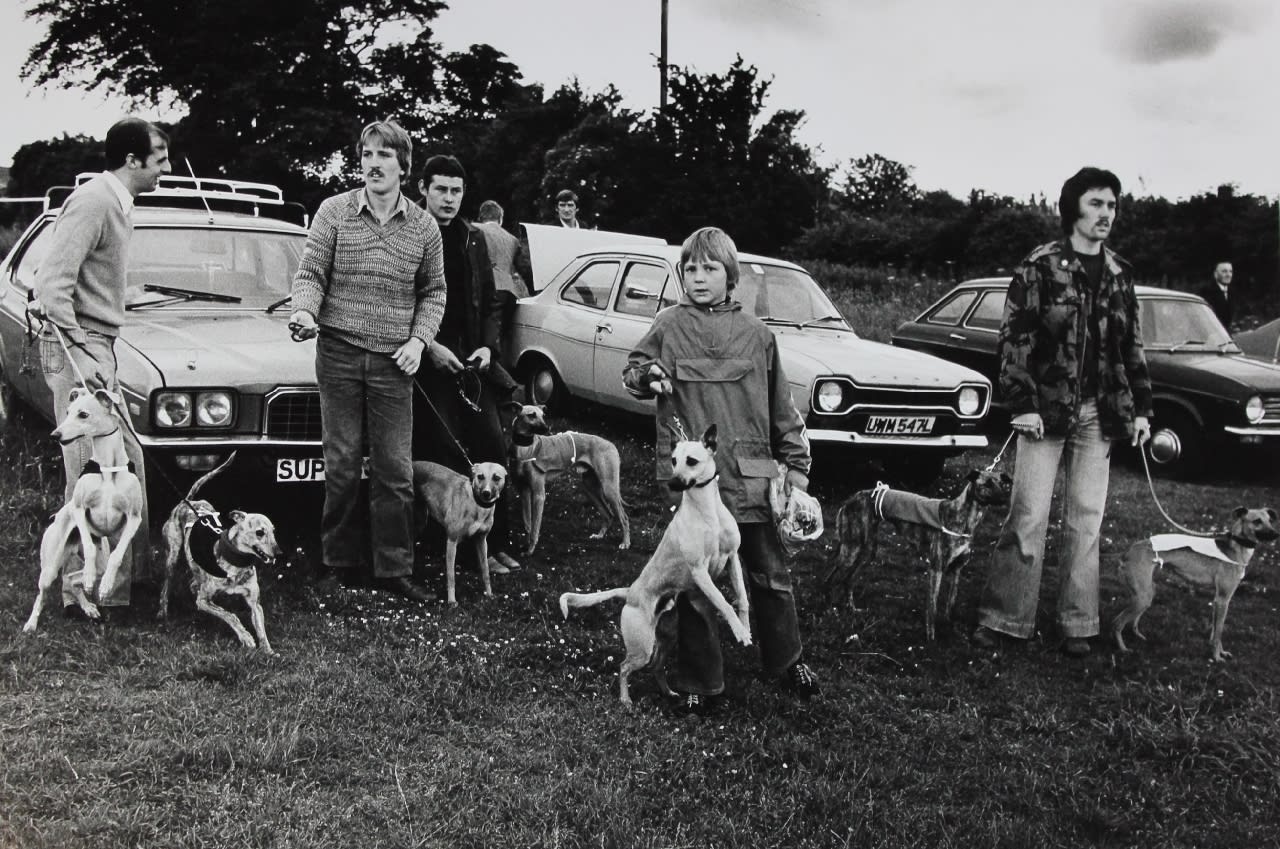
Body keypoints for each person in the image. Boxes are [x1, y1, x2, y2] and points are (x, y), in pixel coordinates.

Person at [622, 226, 820, 715]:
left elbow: (782, 411)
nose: (698, 277)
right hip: (696, 484)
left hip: (752, 476)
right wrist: (647, 376)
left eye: (709, 268)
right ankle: (701, 681)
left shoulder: (758, 335)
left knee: (770, 574)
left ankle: (786, 660)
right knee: (694, 588)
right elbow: (633, 370)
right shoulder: (668, 325)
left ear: (730, 275)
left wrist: (795, 468)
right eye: (690, 268)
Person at [973, 167, 1153, 658]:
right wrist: (1023, 404)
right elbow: (1015, 340)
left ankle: (1078, 624)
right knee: (1028, 514)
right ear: (1074, 207)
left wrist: (1140, 408)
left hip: (1101, 414)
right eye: (1097, 204)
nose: (1106, 214)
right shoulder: (1040, 265)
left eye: (1112, 206)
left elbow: (1132, 346)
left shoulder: (1121, 274)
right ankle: (1004, 618)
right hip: (1045, 414)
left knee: (1087, 520)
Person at [289, 119, 445, 604]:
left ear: (404, 164)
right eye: (366, 155)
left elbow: (434, 291)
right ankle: (337, 563)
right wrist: (302, 309)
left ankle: (393, 568)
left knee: (395, 471)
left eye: (384, 155)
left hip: (394, 365)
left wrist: (419, 341)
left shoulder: (424, 226)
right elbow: (311, 273)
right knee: (339, 463)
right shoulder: (333, 212)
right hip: (336, 353)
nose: (373, 164)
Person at [33, 117, 170, 614]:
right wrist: (83, 352)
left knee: (124, 463)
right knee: (89, 471)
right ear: (131, 160)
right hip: (79, 348)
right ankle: (81, 591)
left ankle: (129, 583)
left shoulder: (117, 204)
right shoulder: (93, 201)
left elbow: (90, 280)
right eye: (159, 159)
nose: (166, 168)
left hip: (98, 344)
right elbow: (52, 286)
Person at [413, 155, 522, 575]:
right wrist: (431, 346)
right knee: (444, 448)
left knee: (492, 444)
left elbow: (493, 301)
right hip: (427, 356)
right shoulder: (409, 233)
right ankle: (444, 542)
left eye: (456, 191)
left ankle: (492, 545)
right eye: (441, 189)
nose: (449, 198)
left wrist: (488, 349)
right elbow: (401, 302)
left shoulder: (473, 238)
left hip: (472, 360)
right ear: (423, 189)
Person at [474, 200, 529, 355]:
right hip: (508, 292)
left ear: (480, 217)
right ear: (500, 219)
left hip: (484, 288)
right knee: (499, 337)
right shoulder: (513, 239)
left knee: (479, 336)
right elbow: (522, 268)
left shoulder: (474, 230)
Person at [1198, 261, 1233, 330]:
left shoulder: (1232, 292)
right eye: (1224, 271)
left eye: (1230, 271)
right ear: (1216, 274)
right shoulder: (1206, 292)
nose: (1228, 275)